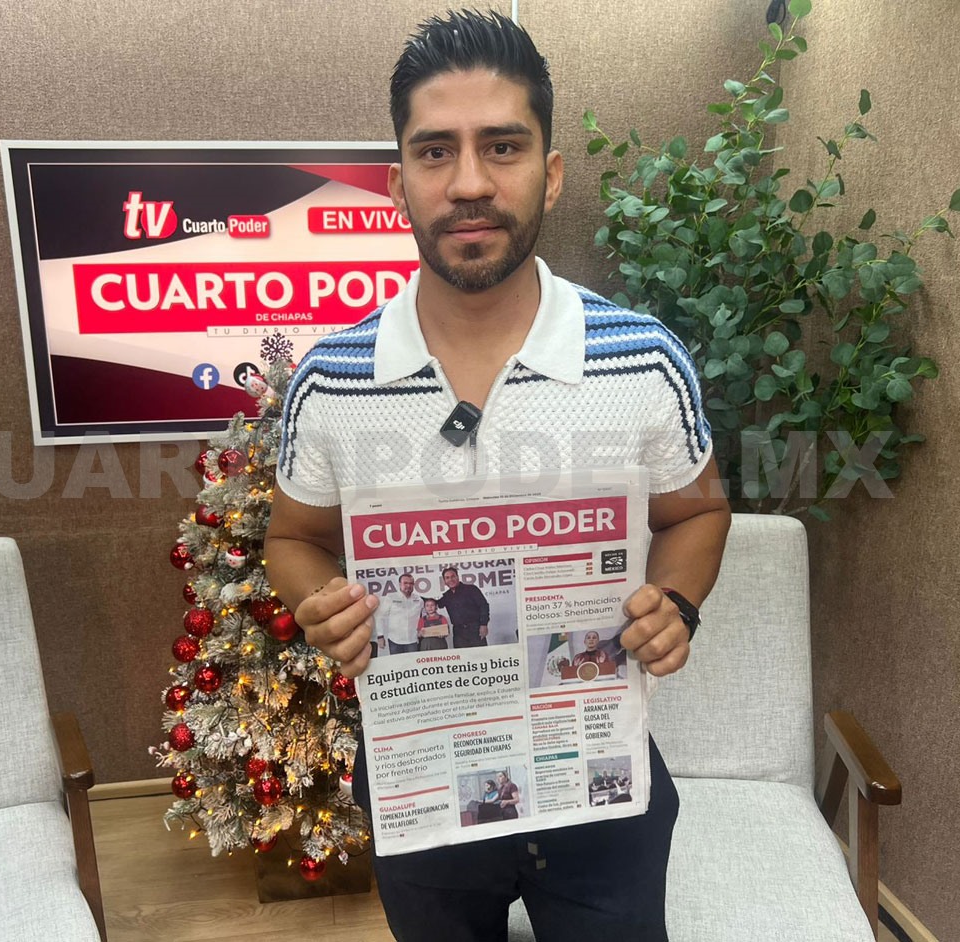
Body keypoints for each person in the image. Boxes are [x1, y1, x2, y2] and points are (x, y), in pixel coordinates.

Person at [264, 10, 730, 941]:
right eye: (435, 151)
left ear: (549, 174)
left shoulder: (643, 360)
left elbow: (698, 512)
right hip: (422, 781)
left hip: (597, 780)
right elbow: (294, 536)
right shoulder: (332, 378)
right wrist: (319, 603)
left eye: (502, 147)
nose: (469, 182)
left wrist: (675, 603)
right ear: (398, 183)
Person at [434, 566, 489, 648]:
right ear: (444, 581)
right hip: (458, 633)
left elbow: (484, 606)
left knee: (480, 654)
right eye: (447, 578)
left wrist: (484, 625)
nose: (450, 579)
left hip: (475, 629)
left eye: (453, 576)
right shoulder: (447, 596)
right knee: (461, 655)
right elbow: (435, 603)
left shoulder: (471, 589)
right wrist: (418, 598)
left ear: (457, 577)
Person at [378, 572, 425, 655]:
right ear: (400, 584)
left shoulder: (419, 600)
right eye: (405, 583)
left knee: (412, 662)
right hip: (395, 640)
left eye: (411, 583)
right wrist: (380, 636)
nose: (408, 585)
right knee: (397, 663)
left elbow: (422, 617)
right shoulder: (390, 598)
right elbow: (380, 617)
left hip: (412, 640)